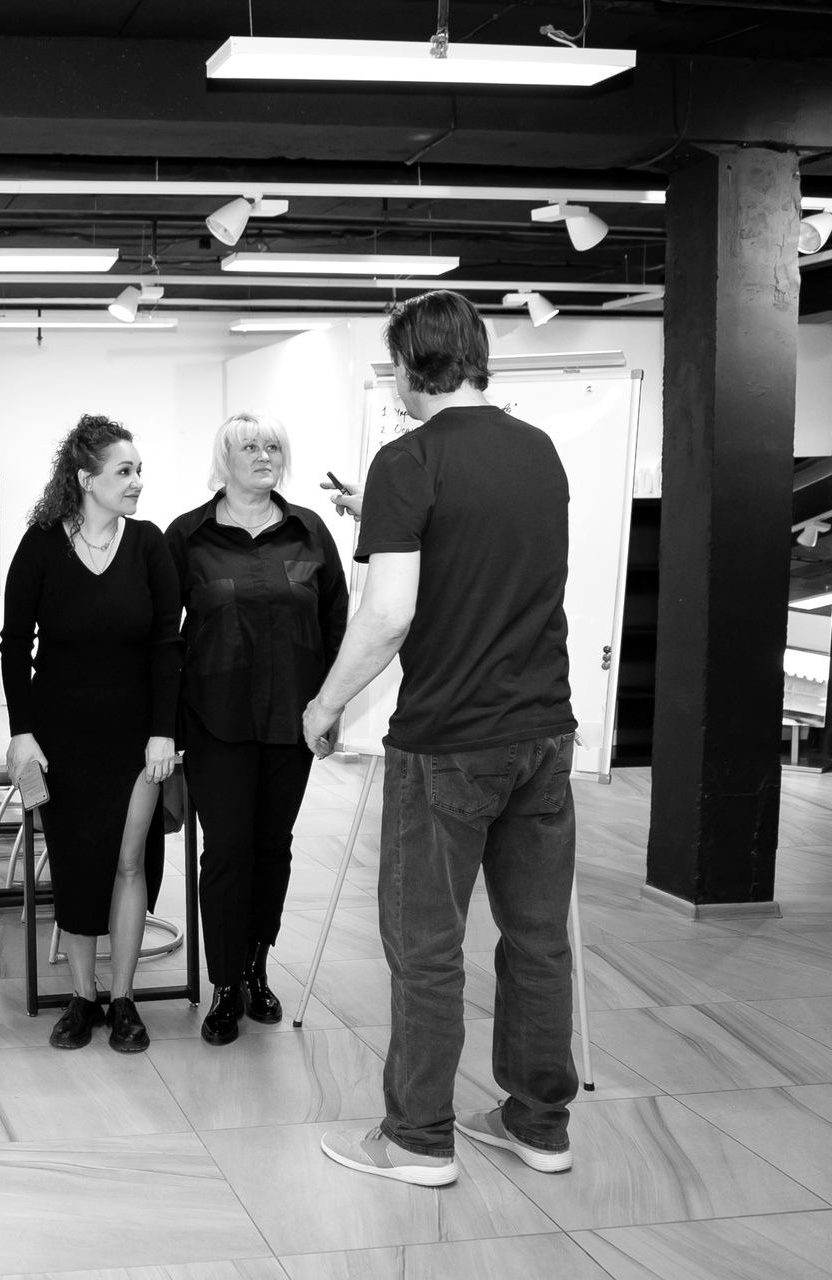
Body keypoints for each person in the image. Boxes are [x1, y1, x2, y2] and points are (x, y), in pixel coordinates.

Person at [306, 289, 578, 1187]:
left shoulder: (409, 458)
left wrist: (325, 704)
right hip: (544, 735)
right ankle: (539, 1124)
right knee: (537, 940)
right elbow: (481, 550)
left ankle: (419, 1139)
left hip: (448, 742)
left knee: (425, 947)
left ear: (409, 366)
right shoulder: (538, 450)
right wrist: (378, 515)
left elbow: (388, 616)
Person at [165, 412, 349, 1047]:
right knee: (227, 852)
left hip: (292, 723)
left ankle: (255, 969)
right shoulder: (187, 536)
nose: (265, 455)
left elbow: (337, 623)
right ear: (225, 460)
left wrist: (333, 706)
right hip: (215, 723)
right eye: (250, 447)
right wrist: (163, 726)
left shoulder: (310, 531)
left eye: (274, 446)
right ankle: (223, 986)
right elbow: (164, 636)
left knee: (273, 848)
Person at [1, 415, 181, 1053]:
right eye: (123, 471)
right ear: (84, 478)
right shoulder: (41, 544)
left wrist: (163, 732)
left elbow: (167, 645)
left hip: (135, 737)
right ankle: (82, 998)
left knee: (129, 861)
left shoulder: (149, 544)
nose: (136, 482)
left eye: (138, 470)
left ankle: (123, 999)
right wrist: (22, 732)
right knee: (76, 865)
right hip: (61, 737)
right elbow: (14, 644)